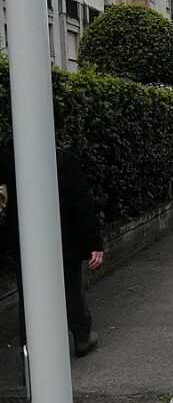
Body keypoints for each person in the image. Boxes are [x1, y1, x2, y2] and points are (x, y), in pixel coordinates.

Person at [0, 144, 104, 357]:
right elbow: (81, 203)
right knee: (71, 287)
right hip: (64, 238)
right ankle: (81, 336)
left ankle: (31, 355)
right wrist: (94, 243)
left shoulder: (6, 159)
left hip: (22, 240)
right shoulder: (64, 160)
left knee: (28, 295)